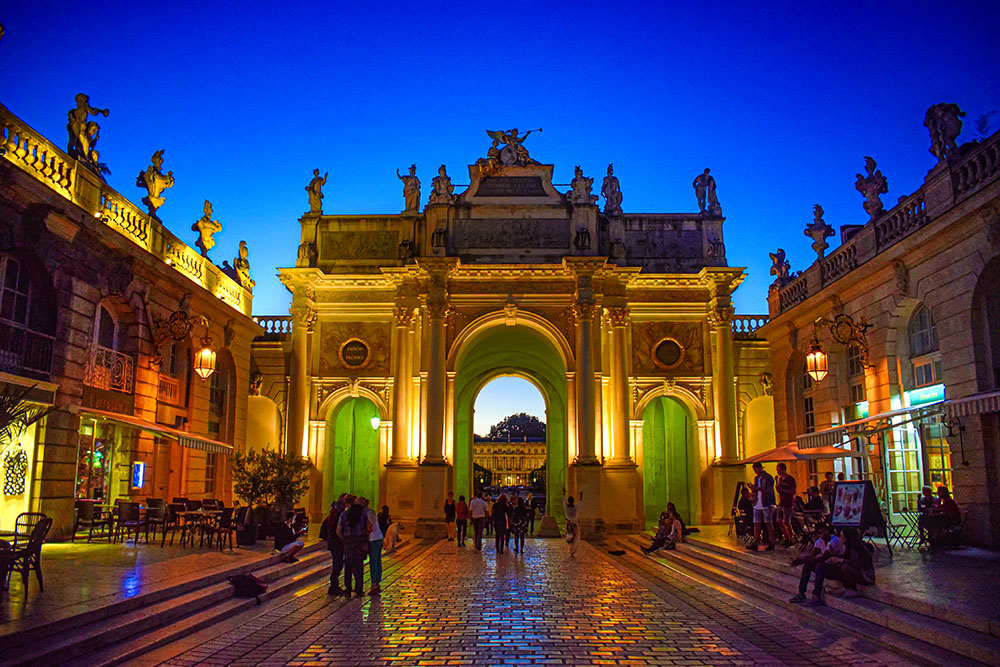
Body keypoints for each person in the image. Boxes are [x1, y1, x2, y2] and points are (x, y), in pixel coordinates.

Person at [790, 522, 844, 605]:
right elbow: (812, 555)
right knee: (808, 566)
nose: (823, 534)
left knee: (820, 565)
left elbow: (824, 557)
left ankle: (816, 596)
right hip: (827, 566)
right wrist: (802, 560)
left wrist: (802, 561)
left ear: (828, 531)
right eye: (820, 533)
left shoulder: (834, 541)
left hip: (838, 568)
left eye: (824, 531)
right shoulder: (820, 541)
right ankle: (801, 593)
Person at [822, 527, 874, 597]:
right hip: (860, 572)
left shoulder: (856, 549)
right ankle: (845, 587)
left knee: (844, 566)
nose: (840, 538)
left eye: (841, 536)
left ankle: (853, 589)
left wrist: (840, 560)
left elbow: (856, 563)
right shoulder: (849, 547)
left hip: (865, 576)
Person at [337, 497, 369, 597]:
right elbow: (367, 528)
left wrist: (344, 538)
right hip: (359, 542)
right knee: (359, 566)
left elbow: (338, 530)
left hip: (348, 542)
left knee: (348, 566)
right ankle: (359, 589)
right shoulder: (363, 514)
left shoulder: (344, 514)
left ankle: (348, 589)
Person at [322, 494, 348, 595]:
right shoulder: (338, 513)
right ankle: (333, 586)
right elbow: (336, 528)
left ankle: (334, 585)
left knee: (338, 563)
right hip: (336, 542)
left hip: (334, 542)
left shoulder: (335, 510)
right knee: (338, 564)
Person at [747, 462, 776, 552]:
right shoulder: (756, 478)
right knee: (756, 523)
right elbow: (757, 489)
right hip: (757, 503)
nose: (755, 471)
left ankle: (772, 542)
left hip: (766, 503)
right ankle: (756, 542)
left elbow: (768, 490)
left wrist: (758, 488)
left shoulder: (768, 477)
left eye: (755, 469)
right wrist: (752, 488)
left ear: (759, 468)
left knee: (768, 523)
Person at [359, 497, 383, 595]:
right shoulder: (371, 511)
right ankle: (377, 583)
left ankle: (374, 584)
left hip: (373, 539)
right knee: (377, 561)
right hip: (379, 537)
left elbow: (369, 527)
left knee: (373, 561)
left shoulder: (367, 512)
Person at [775, 463, 797, 545]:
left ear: (783, 469)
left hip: (787, 503)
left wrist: (782, 490)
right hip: (781, 502)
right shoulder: (781, 480)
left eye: (778, 470)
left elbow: (792, 491)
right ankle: (786, 536)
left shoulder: (790, 479)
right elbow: (778, 490)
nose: (777, 472)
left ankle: (790, 538)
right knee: (779, 520)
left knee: (786, 521)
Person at [564, 489, 581, 558]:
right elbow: (580, 503)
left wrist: (564, 494)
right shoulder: (575, 507)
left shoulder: (566, 507)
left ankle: (571, 550)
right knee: (575, 538)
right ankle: (572, 550)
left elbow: (564, 501)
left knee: (570, 537)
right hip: (574, 525)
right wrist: (580, 496)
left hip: (569, 524)